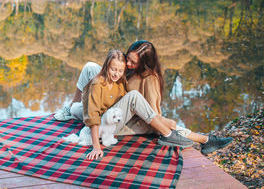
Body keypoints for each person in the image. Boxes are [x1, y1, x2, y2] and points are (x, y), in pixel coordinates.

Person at [55, 41, 232, 156]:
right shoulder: (125, 69)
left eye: (133, 62)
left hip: (130, 119)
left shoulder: (150, 79)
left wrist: (164, 122)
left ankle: (204, 140)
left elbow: (152, 114)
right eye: (127, 58)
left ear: (144, 63)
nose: (128, 64)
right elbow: (111, 80)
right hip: (111, 110)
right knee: (87, 73)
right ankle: (69, 108)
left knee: (166, 124)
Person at [66, 49, 195, 160]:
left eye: (120, 70)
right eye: (113, 69)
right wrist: (96, 147)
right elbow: (93, 117)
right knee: (134, 96)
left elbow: (124, 105)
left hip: (113, 122)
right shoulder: (97, 83)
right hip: (102, 127)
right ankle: (168, 135)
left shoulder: (119, 82)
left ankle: (177, 134)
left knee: (149, 126)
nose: (116, 73)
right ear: (106, 67)